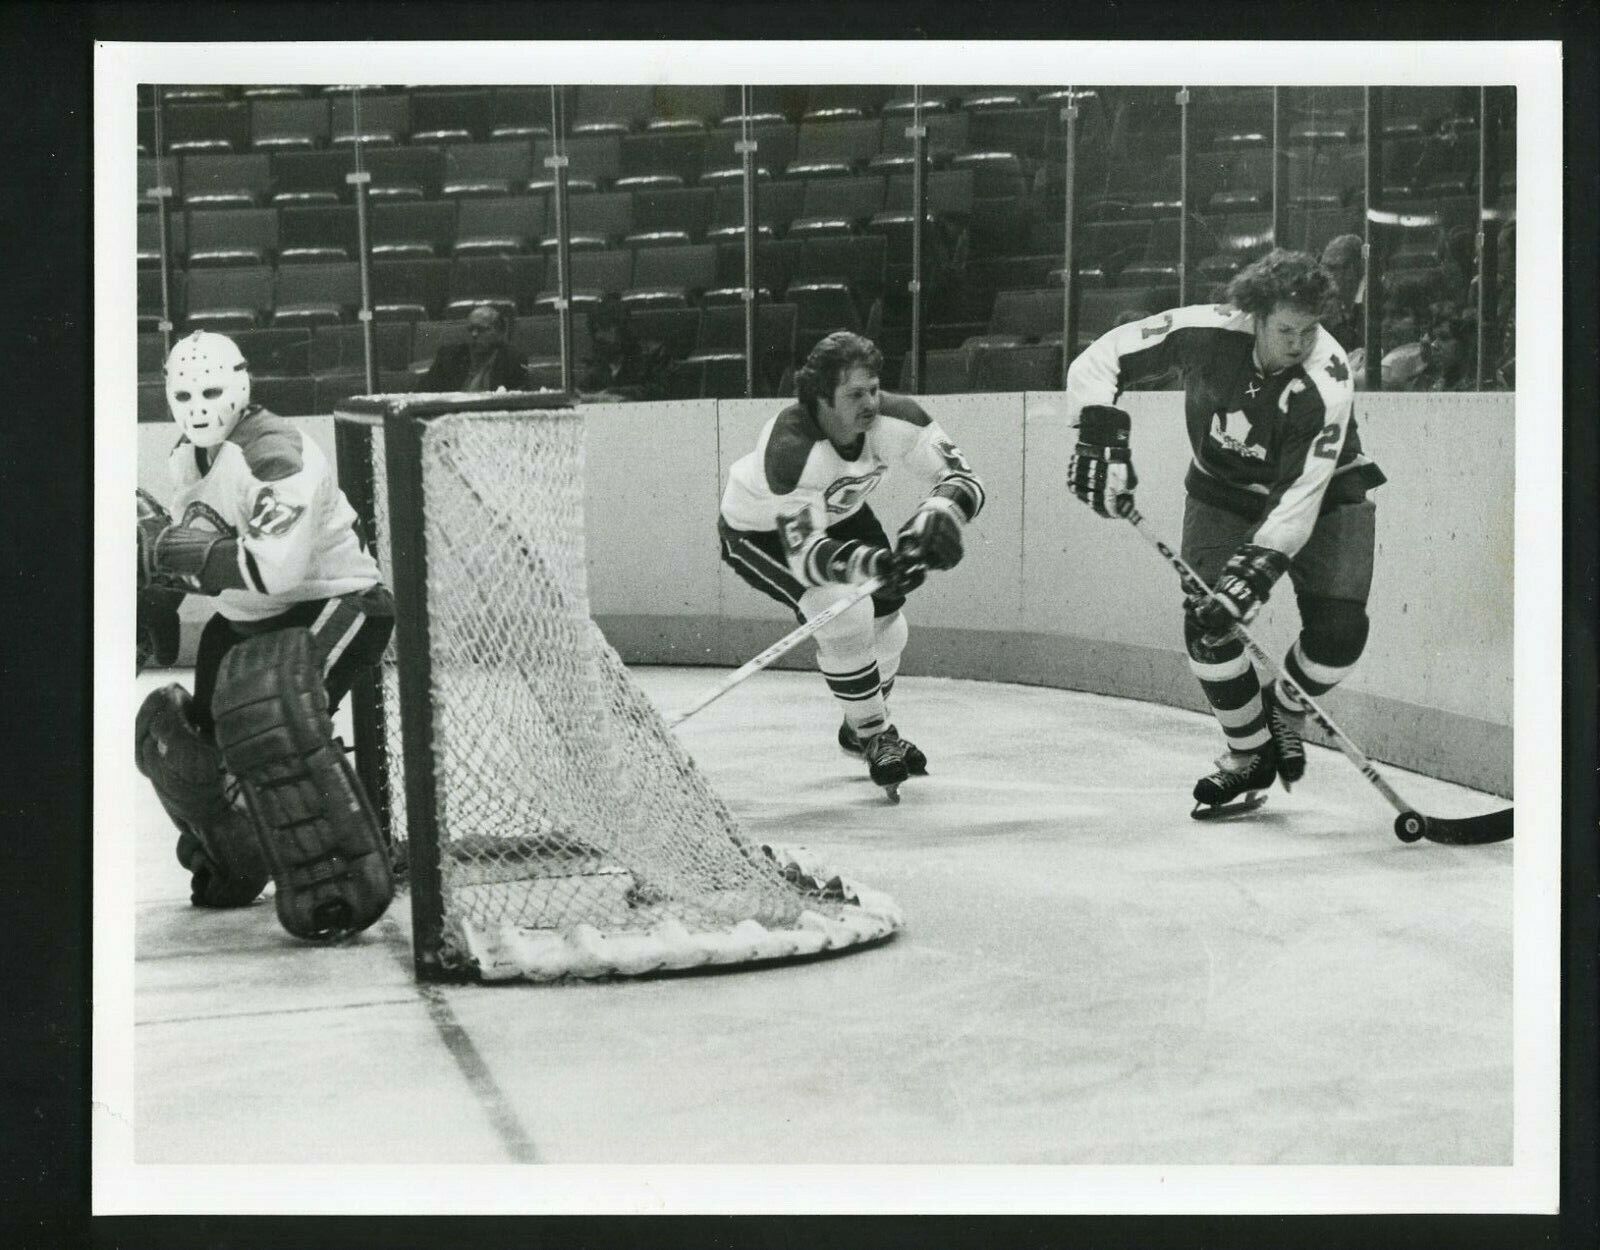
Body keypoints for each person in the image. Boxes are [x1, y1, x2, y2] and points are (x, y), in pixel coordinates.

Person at [1065, 249, 1387, 816]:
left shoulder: (1328, 377)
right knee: (1208, 625)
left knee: (1340, 635)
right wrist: (1099, 431)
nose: (1299, 343)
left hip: (1324, 493)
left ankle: (1283, 710)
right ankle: (1248, 756)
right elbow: (1105, 354)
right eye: (1287, 329)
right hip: (1223, 489)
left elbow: (1302, 492)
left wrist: (1256, 572)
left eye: (1311, 329)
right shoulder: (1207, 330)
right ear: (1255, 317)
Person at [135, 330, 396, 940]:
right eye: (183, 394)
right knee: (184, 748)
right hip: (246, 617)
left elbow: (277, 568)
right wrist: (156, 582)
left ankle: (335, 877)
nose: (197, 407)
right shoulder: (187, 454)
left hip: (335, 603)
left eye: (210, 391)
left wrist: (177, 554)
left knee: (272, 730)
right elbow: (206, 550)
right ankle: (237, 859)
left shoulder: (275, 453)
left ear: (242, 385)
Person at [717, 330, 986, 799]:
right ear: (822, 398)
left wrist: (938, 514)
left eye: (874, 389)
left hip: (840, 515)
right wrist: (875, 561)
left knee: (889, 617)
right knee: (844, 610)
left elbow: (963, 477)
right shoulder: (792, 451)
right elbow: (809, 560)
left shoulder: (896, 421)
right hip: (759, 535)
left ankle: (858, 726)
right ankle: (875, 733)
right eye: (855, 394)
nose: (871, 403)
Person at [416, 303, 529, 393]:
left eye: (481, 329)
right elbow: (422, 393)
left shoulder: (513, 360)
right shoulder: (449, 356)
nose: (474, 334)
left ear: (500, 333)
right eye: (471, 329)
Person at [577, 298, 670, 402]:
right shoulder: (597, 359)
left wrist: (614, 393)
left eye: (605, 328)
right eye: (595, 330)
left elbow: (660, 392)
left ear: (622, 329)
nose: (598, 336)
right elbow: (581, 390)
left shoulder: (654, 353)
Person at [1318, 233, 1366, 354]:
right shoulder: (1334, 303)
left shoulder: (1368, 301)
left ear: (1350, 270)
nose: (1323, 275)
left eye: (1330, 267)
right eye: (1322, 267)